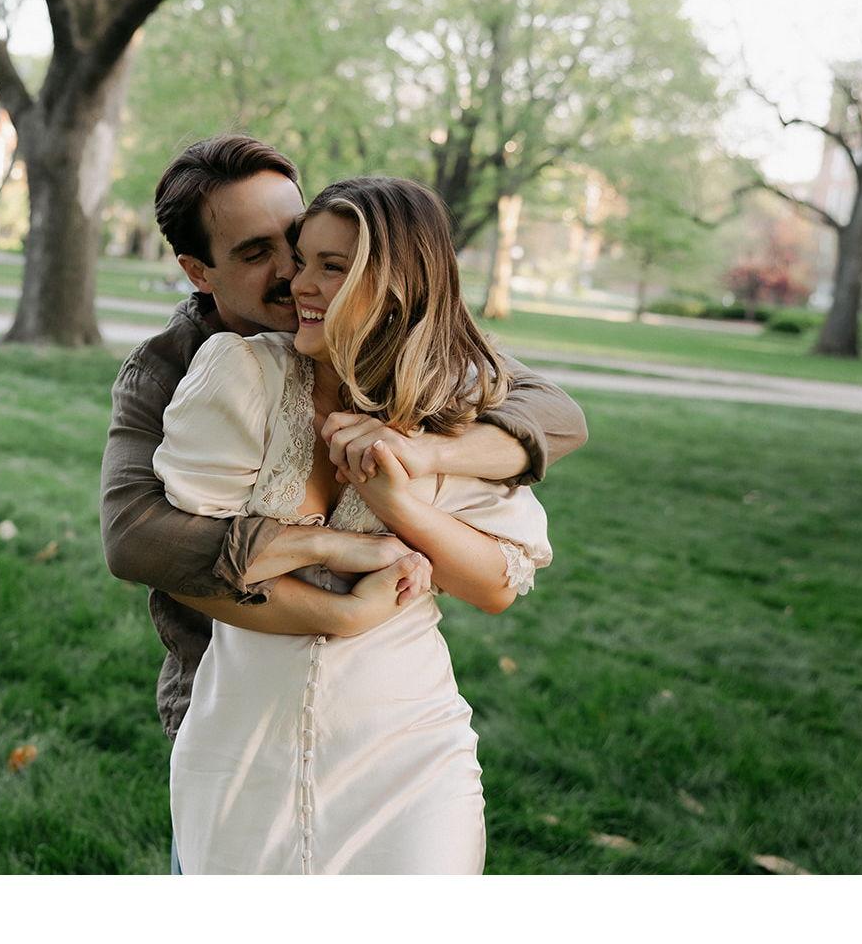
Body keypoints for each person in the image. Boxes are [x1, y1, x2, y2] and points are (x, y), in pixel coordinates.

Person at [97, 135, 587, 870]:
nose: (293, 276)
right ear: (199, 271)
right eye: (258, 253)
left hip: (401, 734)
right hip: (232, 700)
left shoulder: (435, 378)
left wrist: (419, 466)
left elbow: (556, 416)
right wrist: (345, 580)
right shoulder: (182, 368)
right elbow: (142, 543)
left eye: (305, 249)